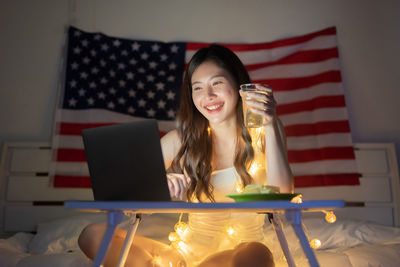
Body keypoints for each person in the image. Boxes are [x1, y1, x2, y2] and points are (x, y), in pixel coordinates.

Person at [78, 44, 294, 267]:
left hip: (243, 254)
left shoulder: (264, 130)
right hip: (184, 256)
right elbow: (121, 194)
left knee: (257, 256)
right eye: (197, 88)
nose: (208, 96)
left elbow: (283, 196)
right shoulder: (179, 140)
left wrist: (269, 124)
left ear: (239, 85)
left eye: (217, 83)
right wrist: (160, 184)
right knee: (92, 235)